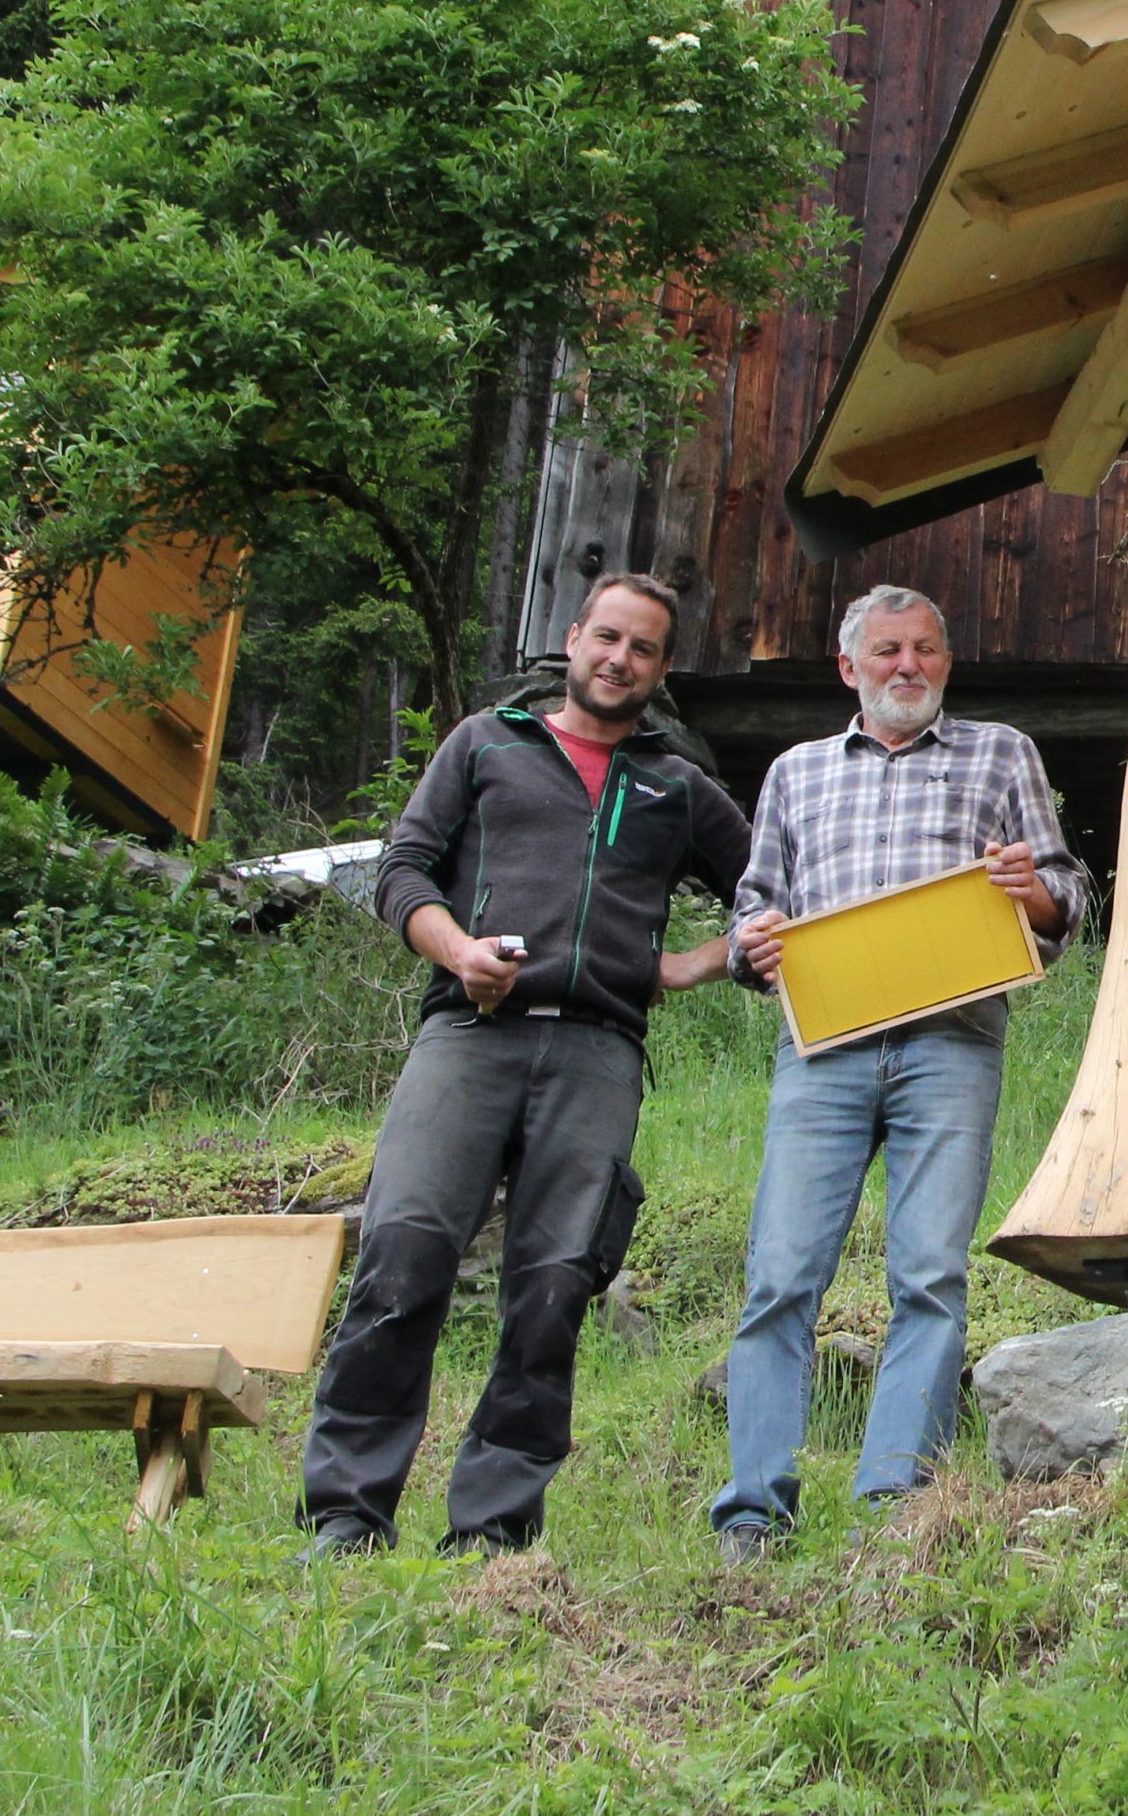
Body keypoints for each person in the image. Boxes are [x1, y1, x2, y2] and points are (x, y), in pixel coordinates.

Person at [302, 573, 749, 1555]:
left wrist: (695, 962)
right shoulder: (486, 741)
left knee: (553, 1285)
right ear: (573, 638)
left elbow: (771, 895)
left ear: (660, 670)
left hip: (598, 1051)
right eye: (606, 637)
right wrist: (456, 950)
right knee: (401, 1256)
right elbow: (402, 868)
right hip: (468, 1035)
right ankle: (346, 1511)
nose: (618, 659)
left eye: (642, 648)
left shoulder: (675, 784)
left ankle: (494, 1530)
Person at [713, 585, 1090, 1556]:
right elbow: (755, 913)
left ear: (945, 664)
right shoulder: (796, 773)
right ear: (849, 667)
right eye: (886, 651)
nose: (907, 666)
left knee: (928, 1274)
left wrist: (1031, 894)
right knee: (781, 1274)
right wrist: (748, 942)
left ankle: (894, 1501)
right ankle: (754, 1502)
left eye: (925, 649)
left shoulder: (1000, 752)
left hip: (952, 1043)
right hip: (823, 1051)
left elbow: (1066, 894)